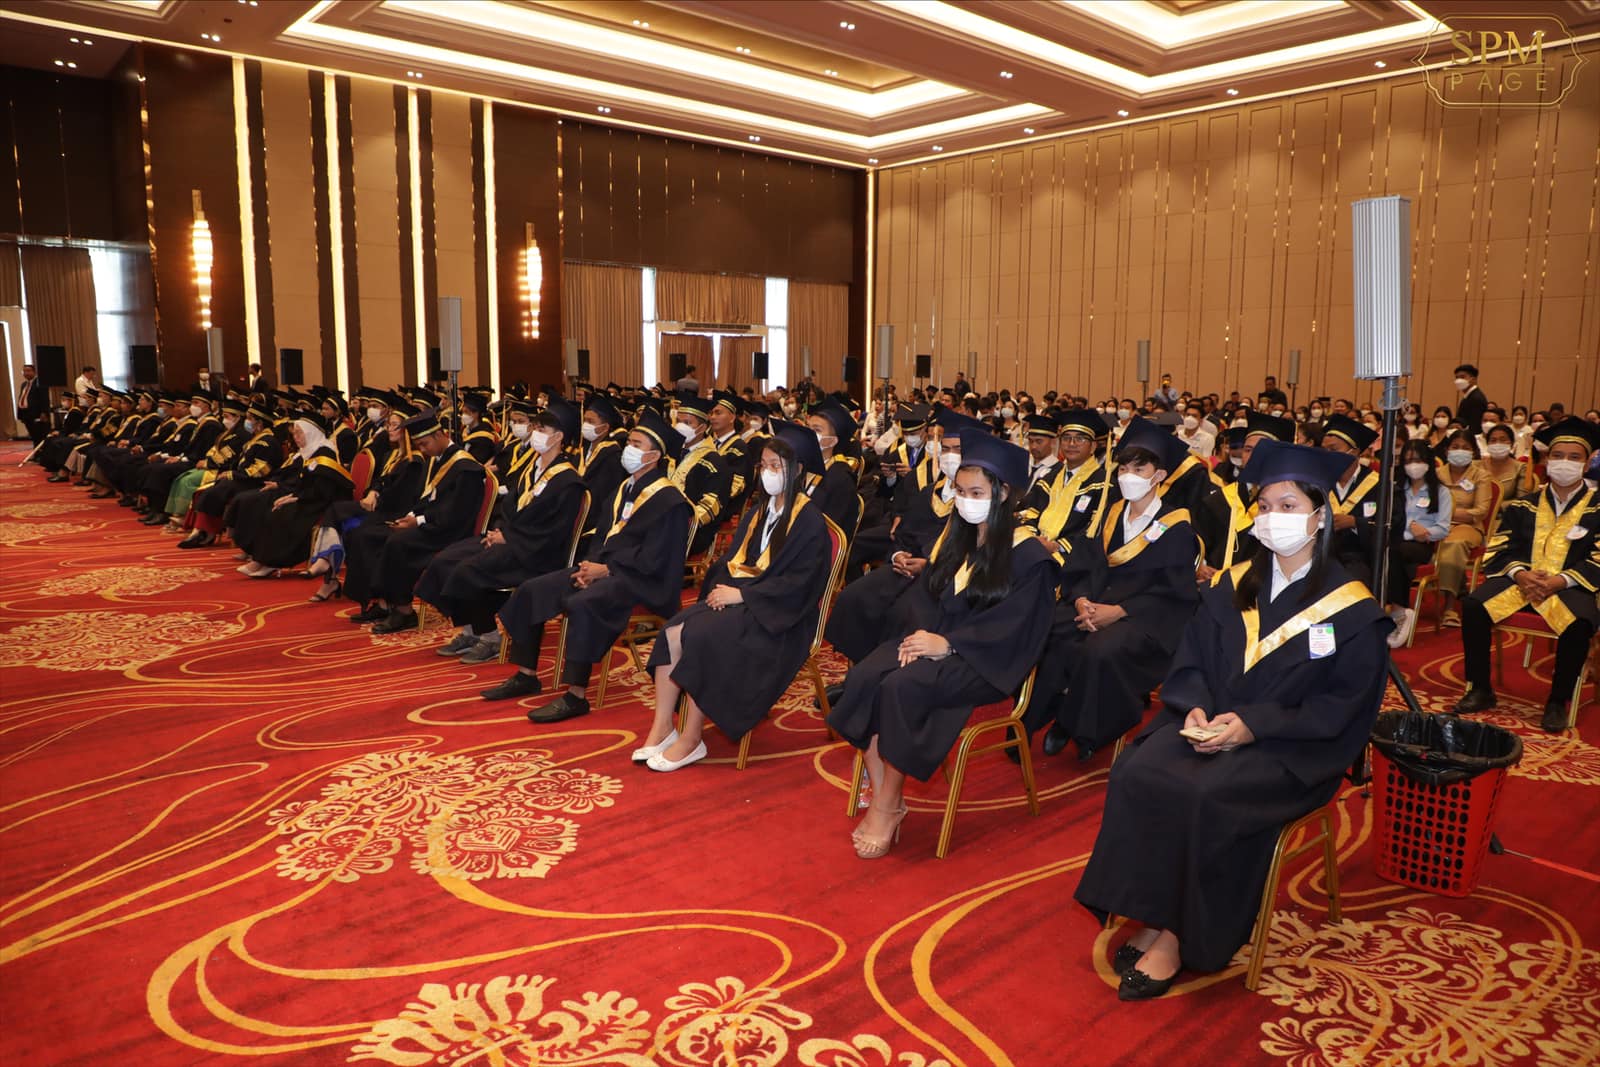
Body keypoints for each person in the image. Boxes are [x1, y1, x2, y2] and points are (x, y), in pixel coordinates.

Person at [1077, 439, 1391, 1000]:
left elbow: (1340, 705)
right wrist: (1193, 704)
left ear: (1320, 517)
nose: (1273, 518)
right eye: (1264, 506)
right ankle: (1154, 907)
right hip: (1211, 724)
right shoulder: (1233, 585)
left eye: (1289, 506)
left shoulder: (1350, 609)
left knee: (1205, 794)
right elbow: (1192, 659)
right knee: (1138, 770)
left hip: (1290, 746)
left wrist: (1254, 725)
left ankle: (1181, 935)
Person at [827, 429, 1058, 858]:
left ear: (1003, 493)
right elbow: (925, 595)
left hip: (985, 660)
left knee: (900, 687)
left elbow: (1016, 629)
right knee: (864, 676)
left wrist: (948, 644)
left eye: (976, 492)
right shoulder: (957, 537)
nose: (965, 500)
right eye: (961, 491)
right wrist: (921, 637)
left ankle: (886, 805)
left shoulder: (1030, 557)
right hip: (934, 640)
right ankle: (887, 790)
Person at [637, 430, 835, 771]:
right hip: (742, 601)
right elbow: (733, 561)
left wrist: (743, 595)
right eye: (764, 465)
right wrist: (722, 592)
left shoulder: (809, 522)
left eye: (776, 466)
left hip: (780, 617)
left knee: (701, 637)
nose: (767, 472)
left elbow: (799, 584)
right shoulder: (760, 511)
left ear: (798, 469)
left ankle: (692, 738)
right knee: (672, 630)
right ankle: (663, 726)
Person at [484, 408, 693, 722]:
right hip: (604, 570)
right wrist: (590, 567)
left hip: (644, 581)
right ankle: (527, 674)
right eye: (630, 442)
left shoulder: (670, 502)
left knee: (584, 603)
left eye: (636, 444)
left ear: (653, 456)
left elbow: (657, 558)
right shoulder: (624, 488)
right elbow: (602, 536)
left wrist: (606, 571)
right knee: (533, 588)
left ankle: (576, 695)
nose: (628, 449)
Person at [1027, 418, 1202, 760]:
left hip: (1145, 617)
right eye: (1123, 468)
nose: (1128, 476)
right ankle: (1032, 718)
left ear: (1159, 475)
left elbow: (1174, 592)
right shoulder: (1109, 514)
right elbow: (1083, 565)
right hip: (1094, 604)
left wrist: (1119, 612)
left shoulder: (1176, 525)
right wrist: (1081, 600)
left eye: (1139, 469)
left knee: (1099, 650)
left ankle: (1076, 725)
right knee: (1047, 629)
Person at [1454, 417, 1600, 731]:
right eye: (1558, 455)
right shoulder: (1524, 504)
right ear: (1547, 459)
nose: (1564, 463)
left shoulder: (1597, 507)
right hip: (1522, 581)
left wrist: (1560, 580)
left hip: (1570, 584)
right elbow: (1501, 547)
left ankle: (1557, 701)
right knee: (1473, 606)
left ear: (1587, 463)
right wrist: (1520, 575)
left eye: (1574, 457)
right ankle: (1480, 688)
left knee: (1580, 622)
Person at [420, 399, 589, 663]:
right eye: (536, 428)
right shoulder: (532, 469)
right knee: (446, 559)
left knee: (468, 569)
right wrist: (498, 532)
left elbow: (553, 532)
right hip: (511, 539)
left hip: (536, 552)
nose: (535, 434)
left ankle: (490, 637)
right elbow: (509, 507)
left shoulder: (568, 482)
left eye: (542, 429)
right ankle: (470, 630)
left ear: (558, 437)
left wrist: (508, 537)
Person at [343, 410, 489, 633]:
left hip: (451, 530)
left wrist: (418, 521)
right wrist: (411, 516)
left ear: (439, 435)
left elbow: (456, 513)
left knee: (398, 542)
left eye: (424, 443)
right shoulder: (436, 460)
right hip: (433, 523)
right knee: (369, 534)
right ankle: (383, 602)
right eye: (419, 445)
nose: (422, 449)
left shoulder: (466, 468)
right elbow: (424, 499)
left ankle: (403, 610)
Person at [306, 405, 426, 603]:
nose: (389, 429)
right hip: (379, 504)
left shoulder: (414, 461)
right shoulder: (391, 455)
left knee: (347, 522)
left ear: (406, 430)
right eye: (388, 424)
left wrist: (376, 497)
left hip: (392, 511)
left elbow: (400, 495)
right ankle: (327, 567)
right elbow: (380, 481)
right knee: (336, 510)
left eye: (394, 425)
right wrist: (373, 492)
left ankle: (328, 571)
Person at [232, 411, 355, 578]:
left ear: (311, 433)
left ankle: (271, 562)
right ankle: (262, 561)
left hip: (324, 502)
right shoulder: (309, 451)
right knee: (275, 508)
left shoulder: (325, 453)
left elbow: (323, 489)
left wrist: (295, 498)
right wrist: (291, 495)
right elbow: (305, 483)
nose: (295, 437)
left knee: (282, 513)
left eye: (299, 433)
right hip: (312, 497)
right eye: (294, 433)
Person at [1385, 438, 1452, 646]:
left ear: (1428, 461)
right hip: (1397, 544)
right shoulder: (1396, 489)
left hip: (1421, 545)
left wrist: (1426, 532)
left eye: (1417, 460)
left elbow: (1443, 528)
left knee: (1394, 552)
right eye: (1407, 461)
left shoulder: (1440, 492)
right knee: (1391, 554)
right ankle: (1397, 612)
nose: (1413, 465)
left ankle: (1397, 610)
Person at [1432, 429, 1495, 627]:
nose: (1460, 451)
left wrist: (1446, 512)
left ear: (1473, 451)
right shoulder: (1436, 474)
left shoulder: (1481, 475)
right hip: (1437, 524)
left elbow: (1480, 511)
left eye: (1465, 447)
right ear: (1447, 450)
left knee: (1453, 544)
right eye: (1455, 447)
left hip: (1469, 526)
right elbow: (1426, 505)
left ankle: (1449, 607)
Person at [668, 392, 735, 555]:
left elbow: (710, 506)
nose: (680, 426)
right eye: (679, 421)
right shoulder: (670, 453)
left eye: (687, 423)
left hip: (692, 530)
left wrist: (678, 523)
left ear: (703, 428)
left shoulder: (714, 462)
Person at [804, 400, 864, 535]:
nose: (807, 433)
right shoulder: (801, 467)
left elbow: (830, 532)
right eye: (808, 427)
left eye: (816, 430)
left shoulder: (841, 479)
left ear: (832, 441)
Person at [16, 364, 49, 443]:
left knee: (39, 435)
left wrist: (44, 412)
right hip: (26, 414)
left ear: (34, 372)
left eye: (28, 371)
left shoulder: (40, 383)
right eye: (24, 371)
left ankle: (40, 450)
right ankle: (36, 449)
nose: (26, 373)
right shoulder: (24, 384)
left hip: (36, 413)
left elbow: (44, 398)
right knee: (33, 435)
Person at [1452, 364, 1488, 432]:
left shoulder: (1476, 398)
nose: (1459, 380)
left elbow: (1475, 426)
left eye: (1462, 377)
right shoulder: (1469, 396)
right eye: (1457, 377)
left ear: (1473, 379)